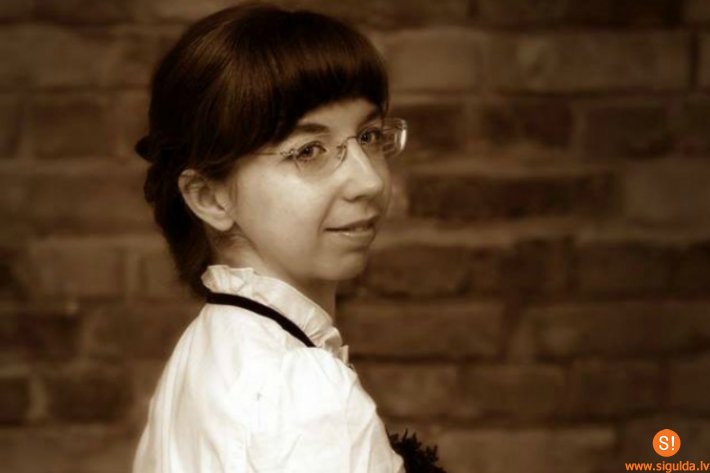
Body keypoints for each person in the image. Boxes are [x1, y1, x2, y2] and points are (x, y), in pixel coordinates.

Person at [131, 3, 414, 472]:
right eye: (309, 150)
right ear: (210, 197)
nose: (368, 181)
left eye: (368, 136)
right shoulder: (301, 392)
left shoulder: (204, 354)